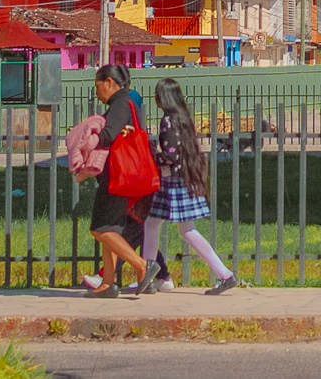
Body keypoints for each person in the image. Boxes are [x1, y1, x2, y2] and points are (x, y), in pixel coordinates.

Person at [140, 79, 239, 294]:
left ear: (163, 98)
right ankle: (224, 274)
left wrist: (152, 153)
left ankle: (147, 274)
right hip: (185, 178)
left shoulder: (168, 120)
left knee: (159, 226)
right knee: (178, 228)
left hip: (172, 181)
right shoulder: (183, 117)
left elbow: (171, 156)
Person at [76, 64, 154, 297]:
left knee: (100, 230)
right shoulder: (128, 102)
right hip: (121, 177)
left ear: (109, 82)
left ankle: (142, 266)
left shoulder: (120, 102)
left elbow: (109, 134)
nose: (97, 92)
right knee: (110, 230)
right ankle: (108, 284)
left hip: (116, 176)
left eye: (98, 86)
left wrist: (86, 139)